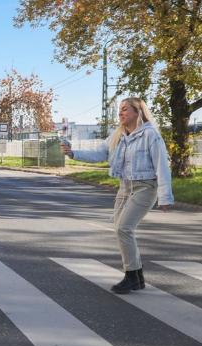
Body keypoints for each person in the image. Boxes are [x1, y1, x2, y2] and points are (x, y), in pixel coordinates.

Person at [61, 97, 173, 294]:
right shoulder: (118, 135)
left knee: (124, 228)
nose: (121, 113)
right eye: (120, 110)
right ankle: (137, 277)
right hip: (124, 187)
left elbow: (162, 166)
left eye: (125, 110)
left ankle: (131, 277)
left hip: (145, 187)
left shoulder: (150, 134)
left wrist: (165, 197)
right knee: (121, 229)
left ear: (138, 112)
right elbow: (99, 154)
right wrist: (72, 153)